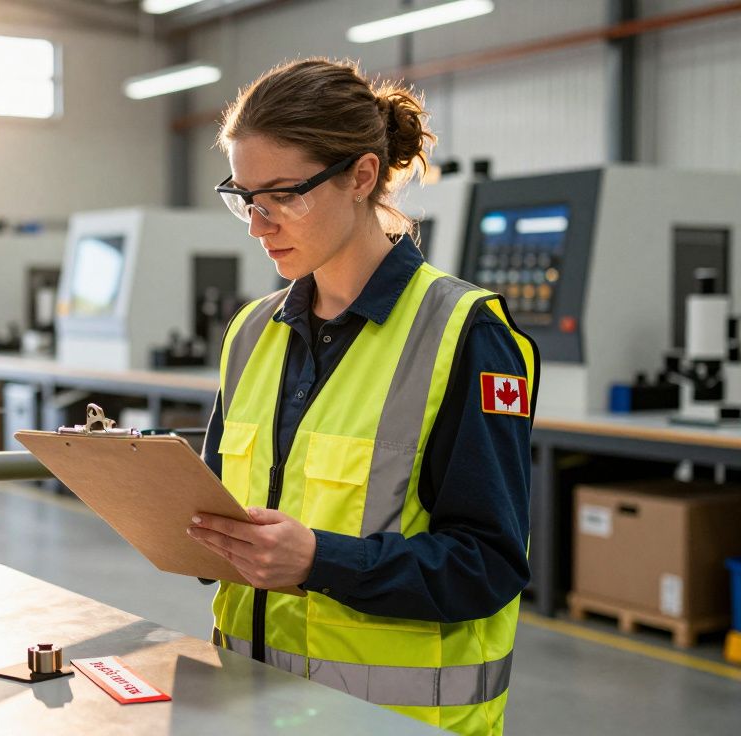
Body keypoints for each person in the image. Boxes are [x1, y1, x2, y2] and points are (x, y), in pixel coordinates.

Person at [186, 58, 538, 736]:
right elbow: (221, 513)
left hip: (397, 720)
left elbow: (487, 566)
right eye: (243, 197)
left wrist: (321, 561)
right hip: (251, 708)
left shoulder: (466, 335)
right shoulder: (252, 332)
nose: (259, 225)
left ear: (362, 176)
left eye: (284, 195)